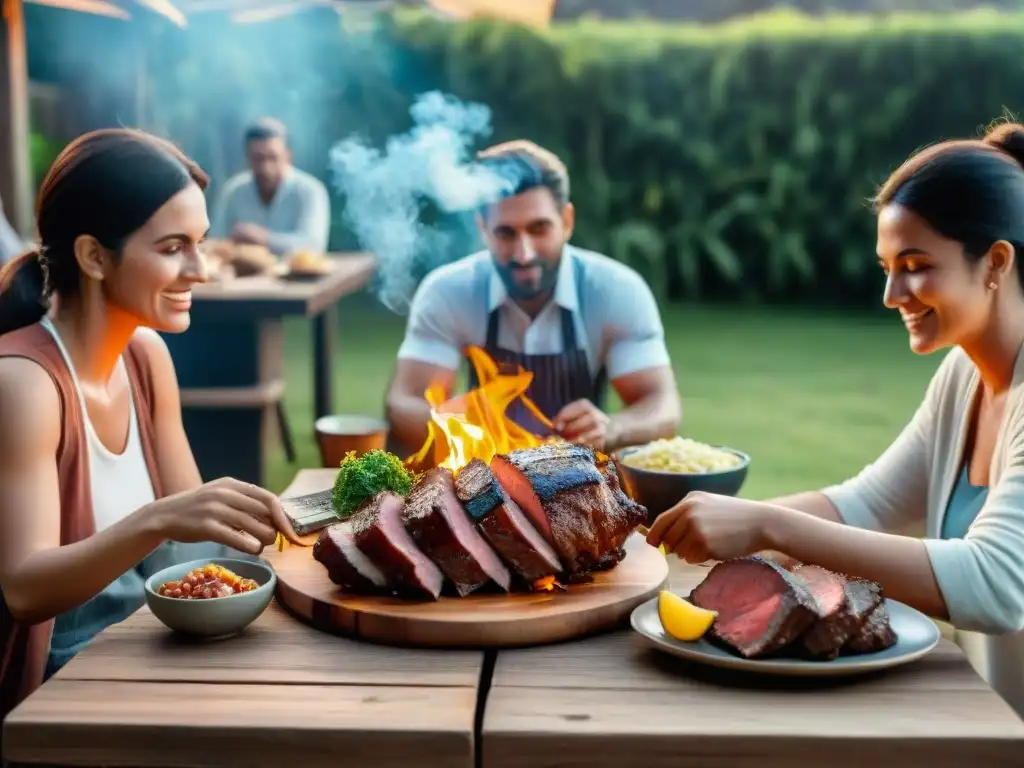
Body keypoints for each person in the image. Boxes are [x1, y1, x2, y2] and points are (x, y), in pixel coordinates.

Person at [646, 120, 1024, 715]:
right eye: (887, 267)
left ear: (995, 262)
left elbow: (998, 585)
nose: (893, 294)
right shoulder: (964, 378)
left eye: (917, 264)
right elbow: (864, 504)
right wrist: (681, 543)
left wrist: (771, 526)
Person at [0, 128, 300, 732]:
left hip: (150, 650)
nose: (202, 270)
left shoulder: (144, 356)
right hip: (57, 689)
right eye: (173, 248)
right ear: (93, 256)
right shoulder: (24, 385)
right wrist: (158, 518)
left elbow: (193, 548)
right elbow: (24, 590)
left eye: (202, 244)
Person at [386, 139, 681, 457]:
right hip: (487, 480)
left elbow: (661, 405)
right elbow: (405, 401)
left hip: (584, 483)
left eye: (539, 229)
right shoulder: (448, 292)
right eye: (506, 233)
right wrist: (470, 430)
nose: (524, 254)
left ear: (566, 221)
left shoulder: (616, 291)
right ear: (483, 227)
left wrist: (612, 427)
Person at [209, 117, 331, 256]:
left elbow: (313, 246)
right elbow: (216, 241)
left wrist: (262, 238)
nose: (266, 167)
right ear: (247, 158)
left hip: (297, 276)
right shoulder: (233, 190)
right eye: (258, 158)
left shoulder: (310, 190)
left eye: (273, 157)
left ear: (288, 156)